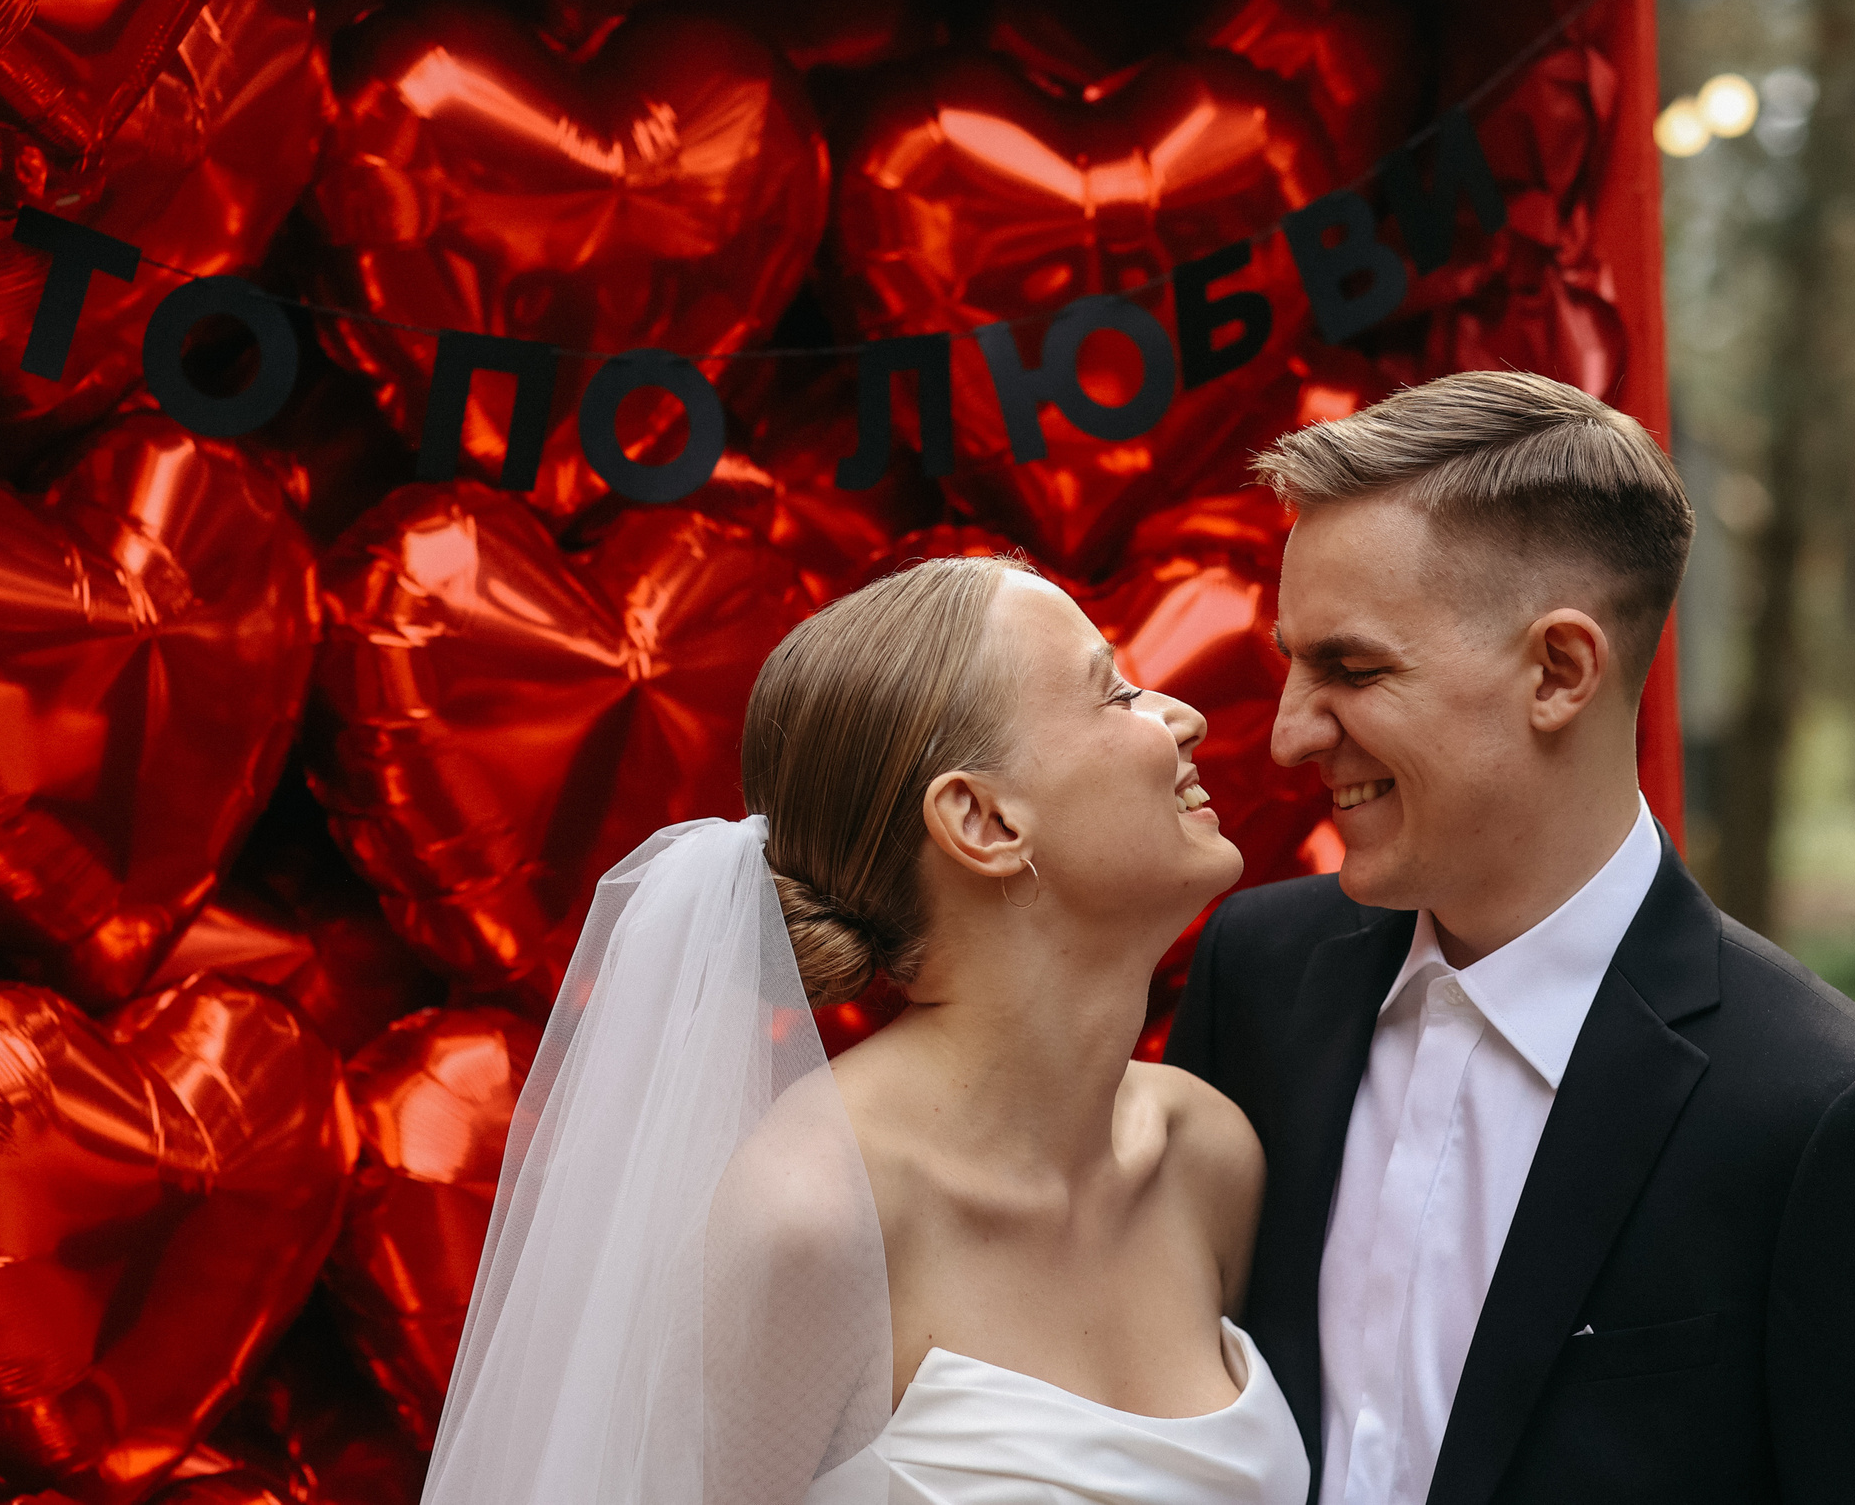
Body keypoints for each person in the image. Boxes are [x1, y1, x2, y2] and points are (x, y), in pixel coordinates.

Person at [1166, 371, 1855, 1505]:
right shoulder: (1258, 979)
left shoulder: (1826, 1121)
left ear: (1559, 670)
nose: (1288, 733)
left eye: (1352, 668)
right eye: (1291, 662)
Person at [421, 555, 1310, 1505]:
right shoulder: (813, 1218)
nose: (1184, 716)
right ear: (982, 819)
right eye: (1114, 693)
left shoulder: (1208, 1155)